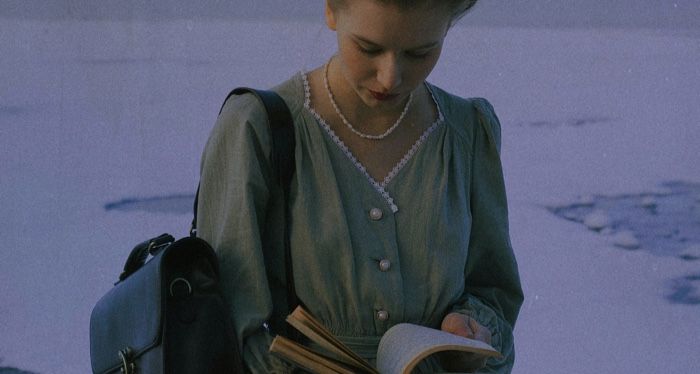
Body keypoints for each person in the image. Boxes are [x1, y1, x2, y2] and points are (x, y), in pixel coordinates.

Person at [197, 0, 524, 372]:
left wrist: (470, 335)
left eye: (420, 52)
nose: (390, 77)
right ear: (332, 11)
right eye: (368, 48)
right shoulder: (257, 128)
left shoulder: (468, 132)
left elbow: (494, 296)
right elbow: (226, 328)